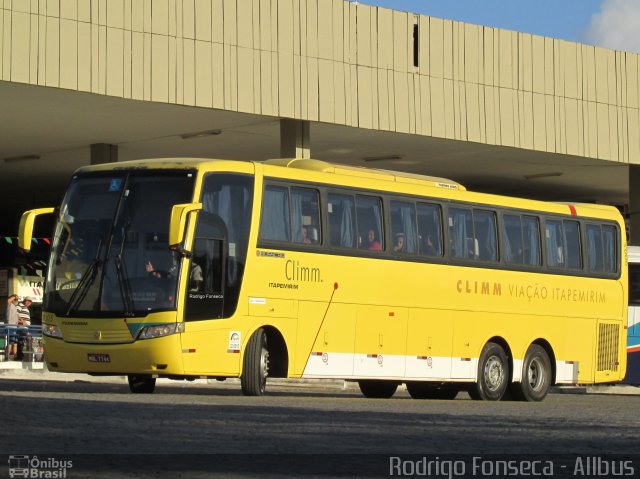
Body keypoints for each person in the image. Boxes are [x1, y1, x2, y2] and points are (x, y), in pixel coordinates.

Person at [16, 296, 32, 360]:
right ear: (24, 300)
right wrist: (22, 320)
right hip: (21, 327)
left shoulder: (26, 308)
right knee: (20, 341)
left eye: (30, 301)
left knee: (22, 342)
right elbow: (16, 313)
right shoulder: (20, 305)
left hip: (25, 328)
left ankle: (21, 356)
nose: (29, 302)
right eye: (27, 301)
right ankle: (20, 357)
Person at [5, 294, 19, 359]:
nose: (17, 300)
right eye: (15, 299)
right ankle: (7, 357)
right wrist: (14, 296)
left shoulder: (15, 307)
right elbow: (8, 300)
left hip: (14, 328)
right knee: (10, 342)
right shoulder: (10, 305)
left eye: (17, 299)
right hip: (10, 327)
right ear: (12, 299)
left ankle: (15, 357)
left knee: (15, 343)